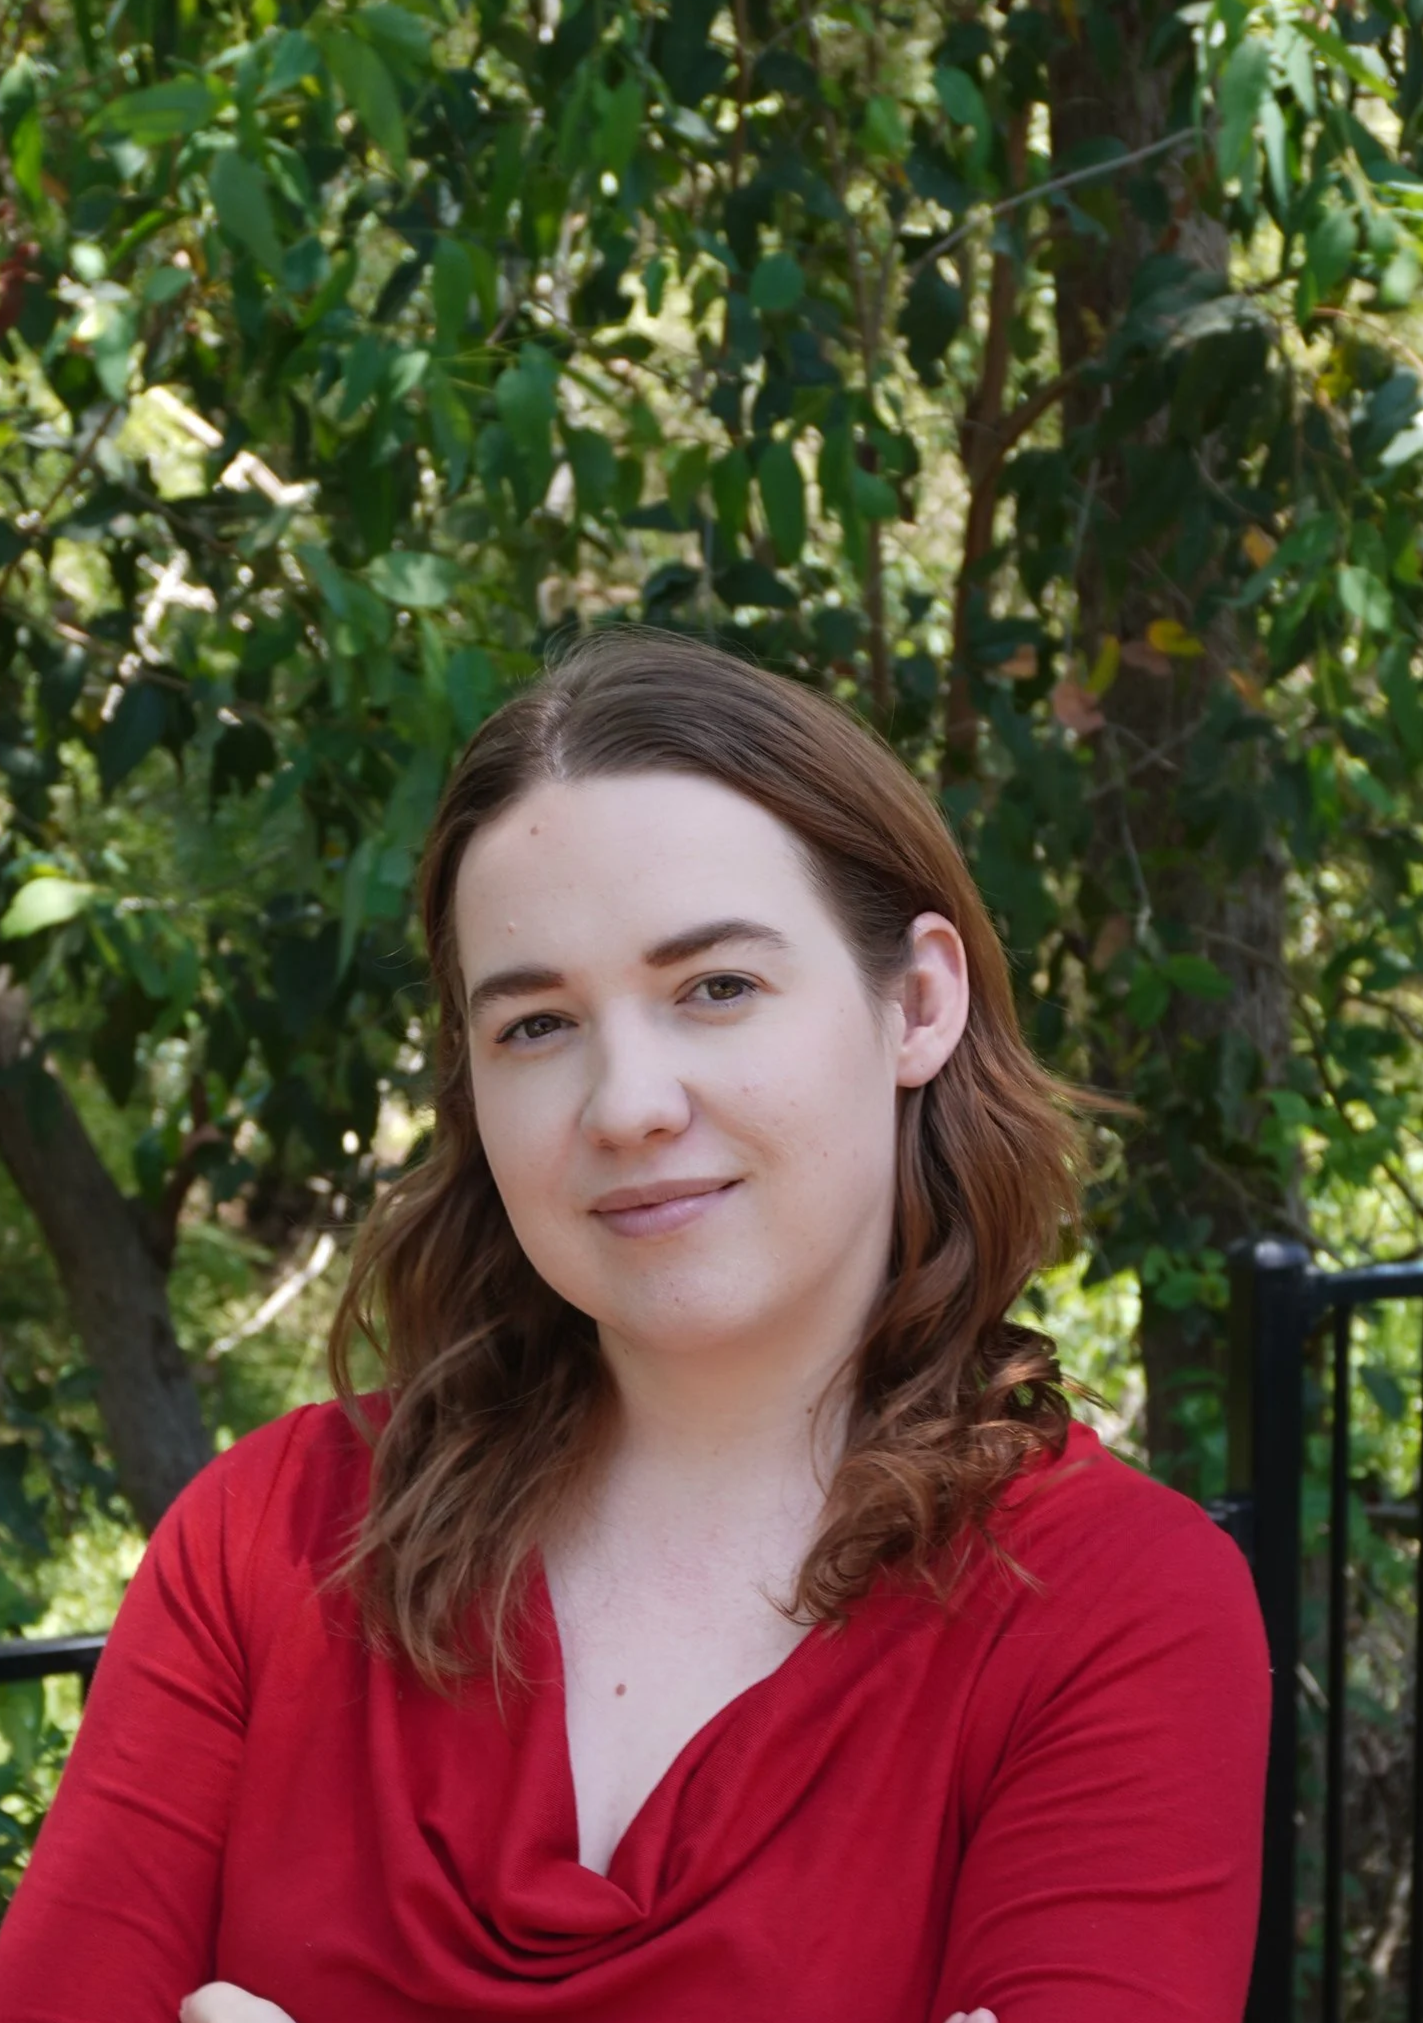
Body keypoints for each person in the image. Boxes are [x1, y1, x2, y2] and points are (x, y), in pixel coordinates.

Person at [0, 627, 1270, 2022]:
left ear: (917, 1002)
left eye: (714, 987)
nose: (624, 1103)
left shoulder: (1111, 1610)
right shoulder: (267, 1541)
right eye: (536, 1024)